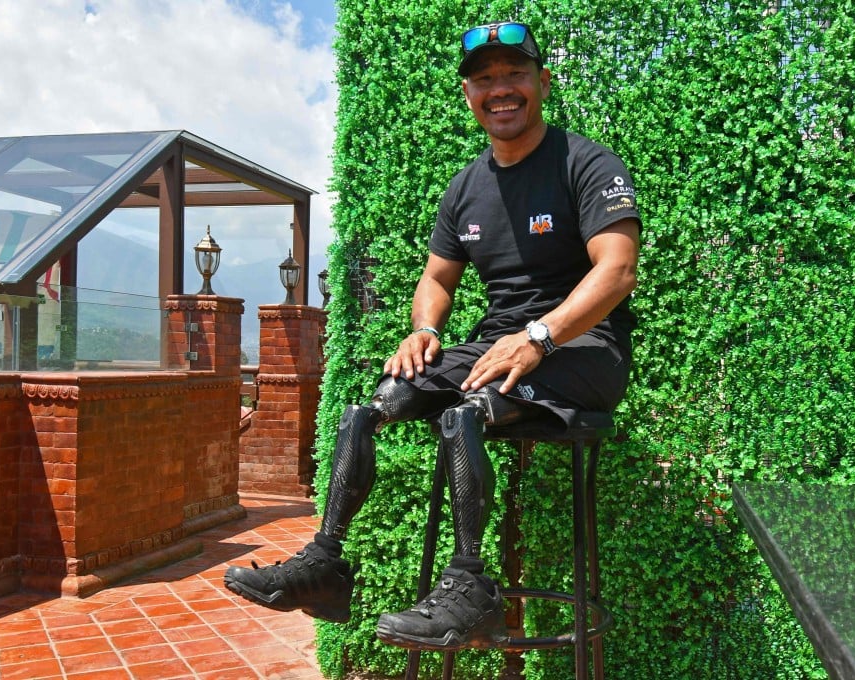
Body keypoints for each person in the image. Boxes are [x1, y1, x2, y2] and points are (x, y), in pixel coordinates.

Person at [224, 20, 641, 651]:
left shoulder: (584, 162)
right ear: (469, 96)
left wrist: (540, 337)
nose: (500, 90)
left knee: (466, 413)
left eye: (514, 76)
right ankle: (327, 566)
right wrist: (423, 329)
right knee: (372, 405)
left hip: (583, 349)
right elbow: (437, 278)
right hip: (496, 347)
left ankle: (472, 588)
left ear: (543, 84)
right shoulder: (466, 187)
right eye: (484, 80)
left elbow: (617, 270)